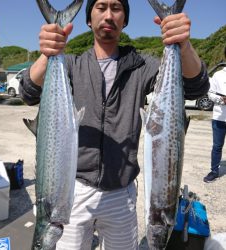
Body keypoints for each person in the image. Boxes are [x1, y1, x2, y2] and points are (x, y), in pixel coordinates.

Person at [20, 0, 210, 249]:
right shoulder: (71, 64)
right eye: (100, 7)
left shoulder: (143, 66)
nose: (108, 15)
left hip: (122, 194)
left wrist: (183, 46)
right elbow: (28, 92)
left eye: (116, 8)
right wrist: (48, 54)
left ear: (125, 20)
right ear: (89, 19)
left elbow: (197, 87)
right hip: (71, 190)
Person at [203, 65, 226, 183]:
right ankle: (214, 171)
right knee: (217, 146)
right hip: (219, 117)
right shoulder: (218, 75)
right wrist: (221, 99)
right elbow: (210, 94)